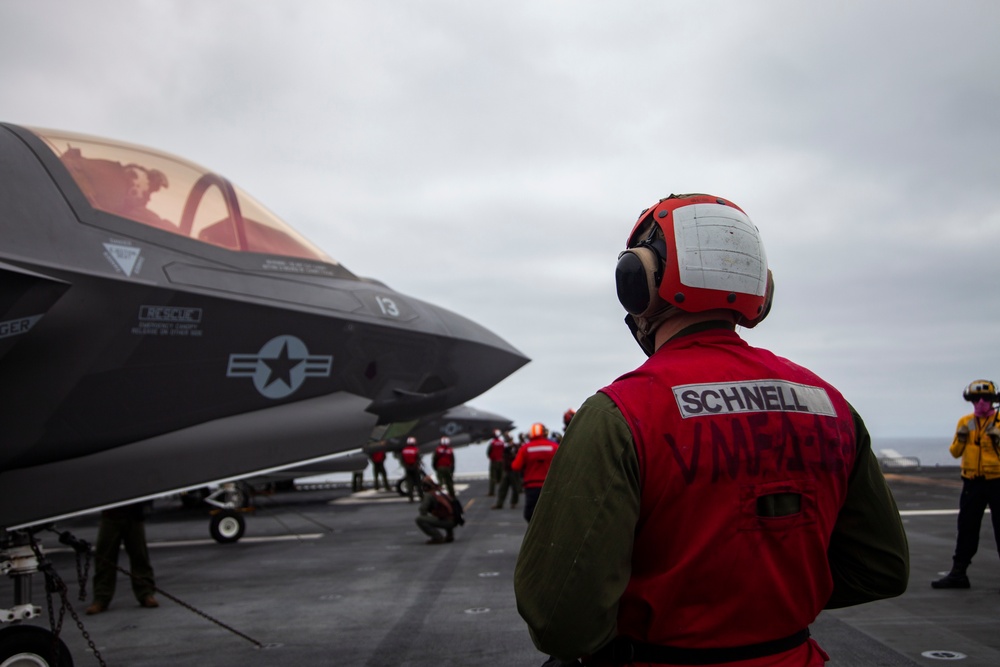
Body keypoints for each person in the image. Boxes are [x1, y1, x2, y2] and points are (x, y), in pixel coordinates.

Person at [513, 193, 909, 665]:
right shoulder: (830, 405)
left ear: (637, 282)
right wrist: (769, 602)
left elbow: (559, 618)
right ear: (760, 287)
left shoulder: (619, 413)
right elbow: (881, 568)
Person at [931, 379, 1000, 589]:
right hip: (972, 482)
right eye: (976, 399)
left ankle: (959, 572)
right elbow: (955, 452)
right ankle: (958, 572)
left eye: (986, 398)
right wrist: (961, 439)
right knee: (966, 528)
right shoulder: (965, 422)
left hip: (997, 481)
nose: (981, 402)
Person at [86, 502, 159, 614]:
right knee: (104, 557)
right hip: (110, 512)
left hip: (134, 513)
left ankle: (146, 593)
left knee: (139, 555)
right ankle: (101, 597)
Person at [510, 423, 559, 522]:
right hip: (550, 486)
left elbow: (515, 466)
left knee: (530, 515)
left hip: (532, 487)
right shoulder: (554, 447)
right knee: (551, 514)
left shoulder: (525, 448)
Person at [414, 476, 457, 545]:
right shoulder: (442, 491)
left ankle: (437, 537)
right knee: (444, 513)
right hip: (455, 520)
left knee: (420, 519)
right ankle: (450, 535)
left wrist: (427, 517)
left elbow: (423, 509)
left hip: (447, 521)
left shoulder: (429, 494)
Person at [493, 431, 522, 510]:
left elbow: (517, 456)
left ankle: (513, 503)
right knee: (502, 488)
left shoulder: (515, 447)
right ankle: (499, 503)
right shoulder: (505, 447)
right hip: (506, 470)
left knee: (515, 488)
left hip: (513, 470)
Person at [400, 437, 423, 503]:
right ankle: (421, 496)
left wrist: (406, 466)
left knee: (410, 483)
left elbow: (402, 460)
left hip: (407, 468)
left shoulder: (404, 450)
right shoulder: (415, 450)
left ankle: (411, 498)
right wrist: (416, 465)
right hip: (414, 467)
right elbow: (418, 458)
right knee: (418, 483)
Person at [486, 430, 505, 496]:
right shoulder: (502, 442)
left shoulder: (492, 443)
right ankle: (501, 492)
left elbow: (488, 452)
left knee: (493, 478)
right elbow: (504, 451)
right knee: (501, 478)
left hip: (494, 462)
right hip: (501, 461)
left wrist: (491, 458)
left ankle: (492, 492)